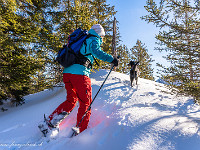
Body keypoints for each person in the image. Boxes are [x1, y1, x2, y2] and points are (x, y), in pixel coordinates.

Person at [38, 24, 118, 136]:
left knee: (71, 100)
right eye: (103, 36)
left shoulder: (82, 38)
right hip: (80, 75)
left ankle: (50, 123)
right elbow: (96, 51)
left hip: (67, 73)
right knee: (85, 103)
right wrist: (112, 59)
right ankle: (81, 131)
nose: (102, 38)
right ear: (99, 33)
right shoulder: (94, 38)